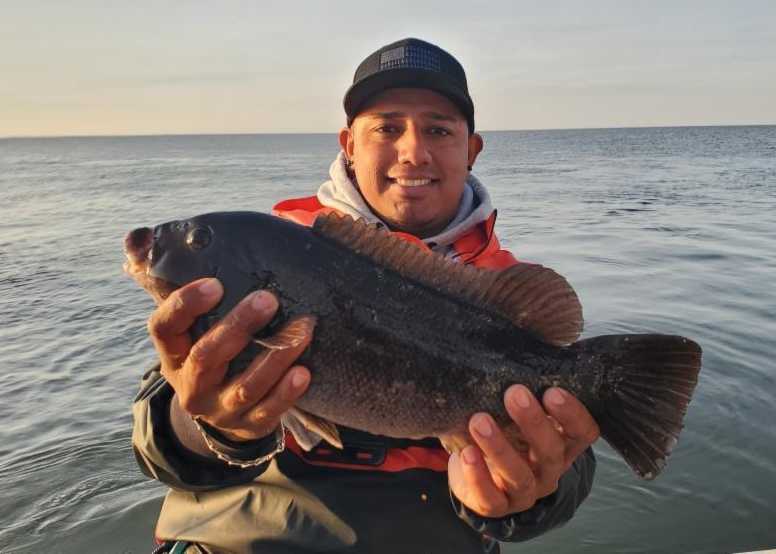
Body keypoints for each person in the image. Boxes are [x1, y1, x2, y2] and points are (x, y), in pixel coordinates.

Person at [133, 38, 599, 554]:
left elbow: (568, 461)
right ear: (349, 145)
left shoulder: (508, 297)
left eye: (438, 129)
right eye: (386, 127)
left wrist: (526, 498)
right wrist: (215, 426)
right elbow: (159, 450)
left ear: (471, 150)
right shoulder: (274, 249)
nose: (413, 152)